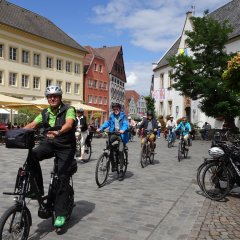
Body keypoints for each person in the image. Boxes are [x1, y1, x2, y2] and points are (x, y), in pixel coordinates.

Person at [24, 85, 76, 228]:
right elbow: (33, 124)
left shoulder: (69, 109)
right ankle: (38, 189)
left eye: (56, 96)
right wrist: (18, 132)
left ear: (60, 98)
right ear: (47, 99)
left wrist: (58, 132)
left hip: (66, 146)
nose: (52, 98)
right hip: (50, 143)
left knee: (62, 178)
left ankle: (60, 213)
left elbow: (69, 124)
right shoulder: (45, 112)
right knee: (32, 155)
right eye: (50, 96)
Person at [97, 102, 129, 181]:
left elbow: (125, 124)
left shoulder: (123, 116)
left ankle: (121, 170)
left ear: (119, 109)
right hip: (113, 133)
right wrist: (101, 129)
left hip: (121, 135)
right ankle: (113, 164)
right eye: (114, 109)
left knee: (121, 151)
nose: (115, 110)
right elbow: (107, 123)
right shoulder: (112, 116)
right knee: (109, 145)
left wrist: (123, 129)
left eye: (117, 109)